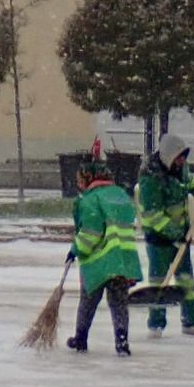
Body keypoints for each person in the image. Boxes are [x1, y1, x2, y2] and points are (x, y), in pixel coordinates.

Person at [138, 131, 194, 337]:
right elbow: (153, 215)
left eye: (184, 157)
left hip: (181, 236)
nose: (183, 161)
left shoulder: (180, 169)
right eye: (180, 157)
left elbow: (189, 181)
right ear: (169, 156)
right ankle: (156, 324)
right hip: (159, 240)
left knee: (186, 280)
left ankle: (191, 322)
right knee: (159, 282)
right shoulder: (151, 178)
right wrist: (173, 234)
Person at [66, 151, 141, 355]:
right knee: (118, 303)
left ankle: (80, 338)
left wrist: (75, 250)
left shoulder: (90, 200)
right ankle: (122, 339)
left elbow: (91, 232)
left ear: (88, 178)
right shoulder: (120, 195)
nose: (78, 184)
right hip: (122, 261)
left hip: (99, 262)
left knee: (88, 301)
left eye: (80, 180)